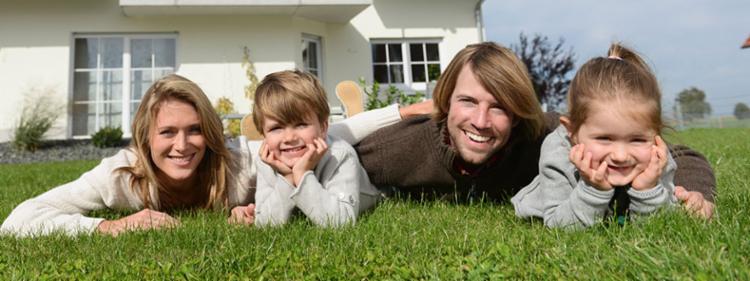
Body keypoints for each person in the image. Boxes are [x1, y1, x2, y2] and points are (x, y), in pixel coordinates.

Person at [1, 74, 421, 237]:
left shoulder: (235, 163)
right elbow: (17, 222)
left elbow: (321, 136)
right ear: (145, 138)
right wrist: (109, 226)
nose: (182, 146)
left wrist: (404, 111)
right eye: (167, 133)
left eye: (195, 130)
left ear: (210, 133)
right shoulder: (118, 176)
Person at [354, 42, 716, 218]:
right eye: (468, 102)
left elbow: (681, 154)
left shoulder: (542, 133)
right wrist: (403, 111)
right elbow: (337, 154)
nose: (481, 121)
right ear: (445, 102)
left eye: (498, 107)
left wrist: (698, 193)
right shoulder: (402, 149)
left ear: (517, 113)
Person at [512, 44, 681, 228]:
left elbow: (665, 227)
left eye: (637, 140)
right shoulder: (558, 151)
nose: (620, 155)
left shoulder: (656, 157)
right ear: (572, 131)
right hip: (554, 208)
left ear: (655, 134)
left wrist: (647, 190)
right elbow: (559, 227)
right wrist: (594, 190)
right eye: (604, 138)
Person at [234, 70, 379, 227]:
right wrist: (288, 177)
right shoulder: (266, 162)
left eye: (301, 124)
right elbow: (266, 224)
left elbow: (340, 222)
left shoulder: (339, 155)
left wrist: (302, 174)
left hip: (373, 194)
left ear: (323, 128)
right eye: (276, 128)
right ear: (263, 135)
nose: (289, 138)